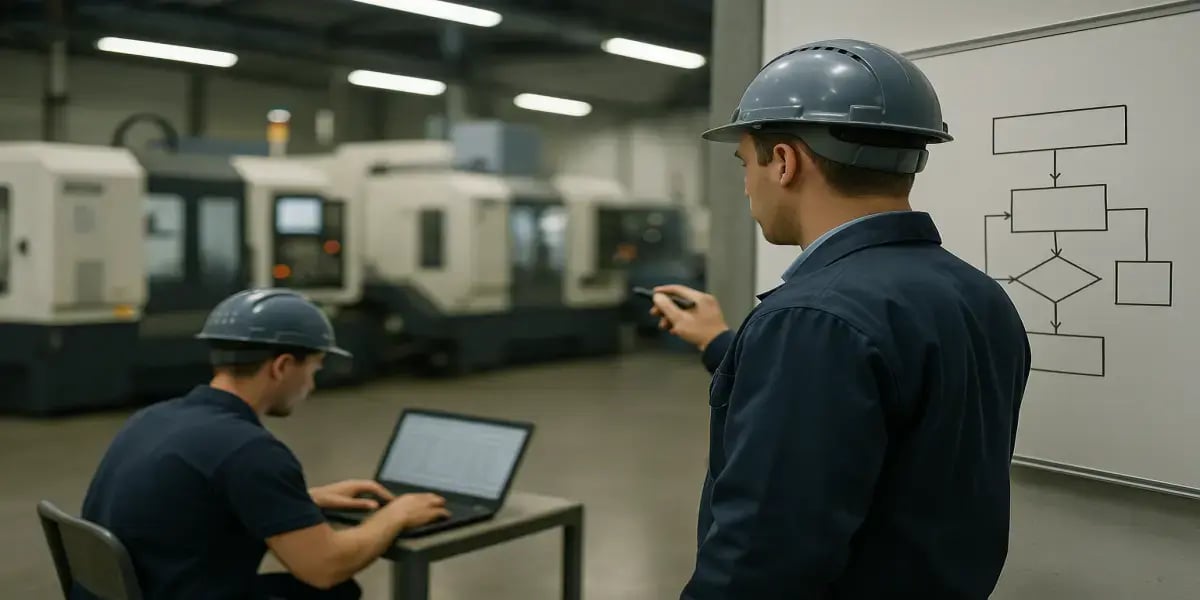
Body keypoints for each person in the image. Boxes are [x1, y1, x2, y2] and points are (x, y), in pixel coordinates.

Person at [650, 39, 1032, 599]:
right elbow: (881, 402)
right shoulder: (975, 294)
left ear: (784, 161)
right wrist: (722, 344)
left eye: (744, 163)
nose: (746, 186)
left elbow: (765, 556)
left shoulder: (812, 317)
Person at [77, 288, 451, 600]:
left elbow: (194, 498)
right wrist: (395, 514)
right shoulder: (249, 450)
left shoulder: (155, 417)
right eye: (314, 368)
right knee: (334, 591)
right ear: (282, 366)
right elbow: (325, 567)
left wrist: (303, 500)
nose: (313, 386)